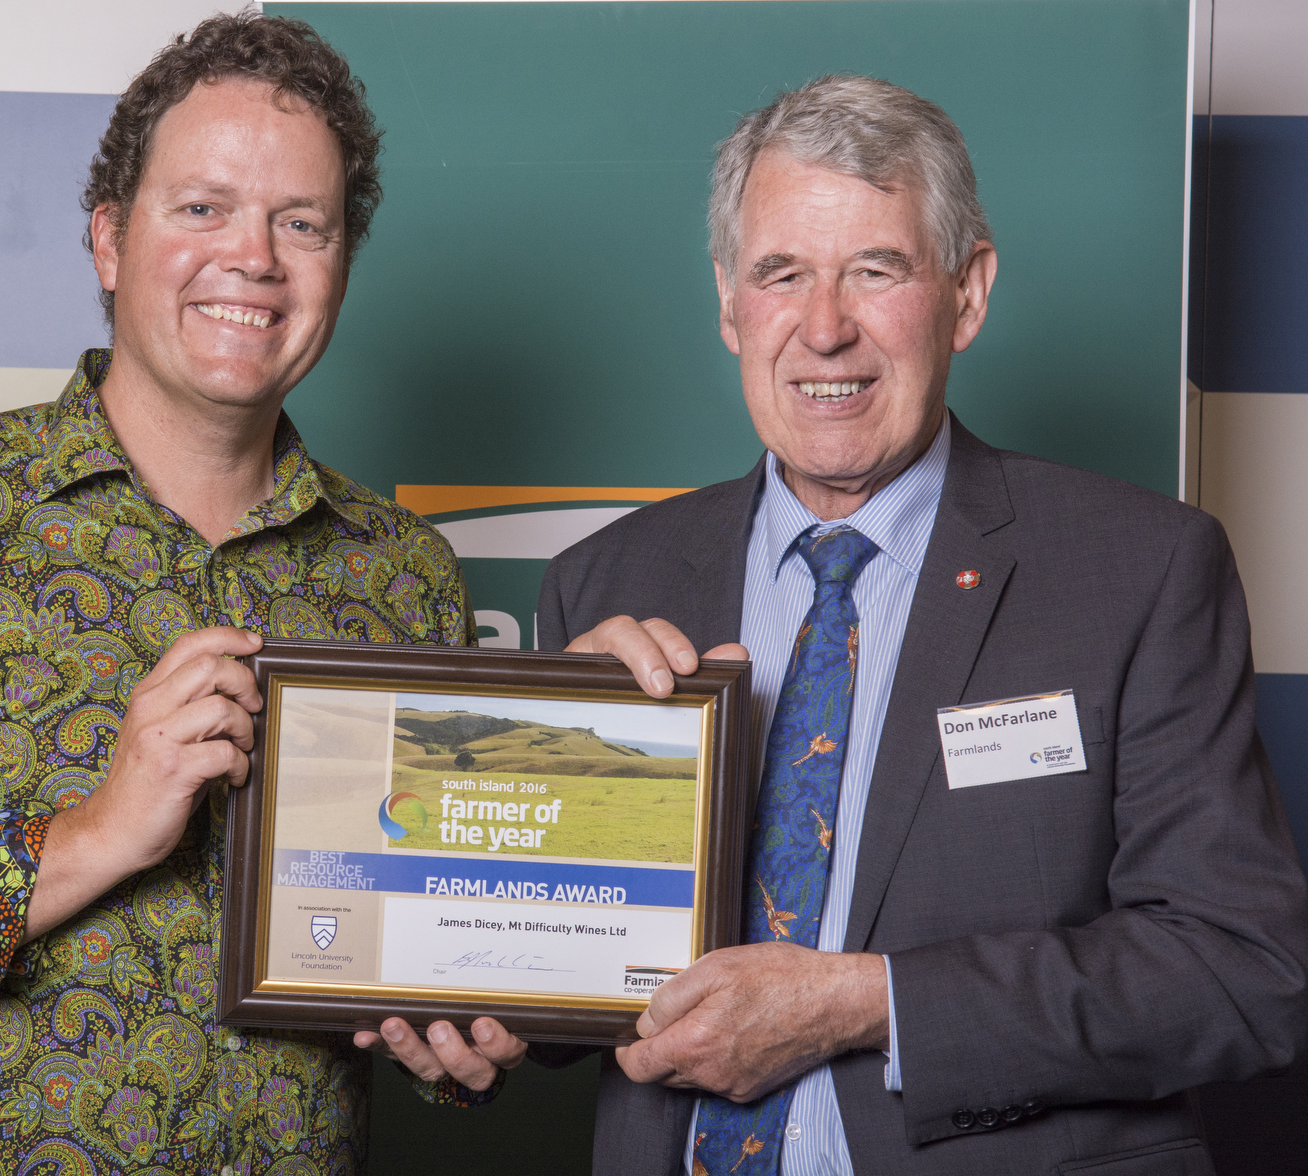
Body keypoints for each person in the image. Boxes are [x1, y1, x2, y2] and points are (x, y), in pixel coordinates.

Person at [0, 14, 520, 1174]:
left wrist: (459, 1036)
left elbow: (427, 958)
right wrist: (83, 839)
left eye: (302, 223)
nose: (254, 257)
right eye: (202, 208)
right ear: (108, 241)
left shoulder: (399, 573)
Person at [539, 75, 1308, 1174]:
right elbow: (545, 990)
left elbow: (1240, 972)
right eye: (781, 274)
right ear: (727, 303)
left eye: (874, 270)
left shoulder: (1136, 571)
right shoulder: (604, 583)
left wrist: (867, 1002)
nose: (823, 328)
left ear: (966, 292)